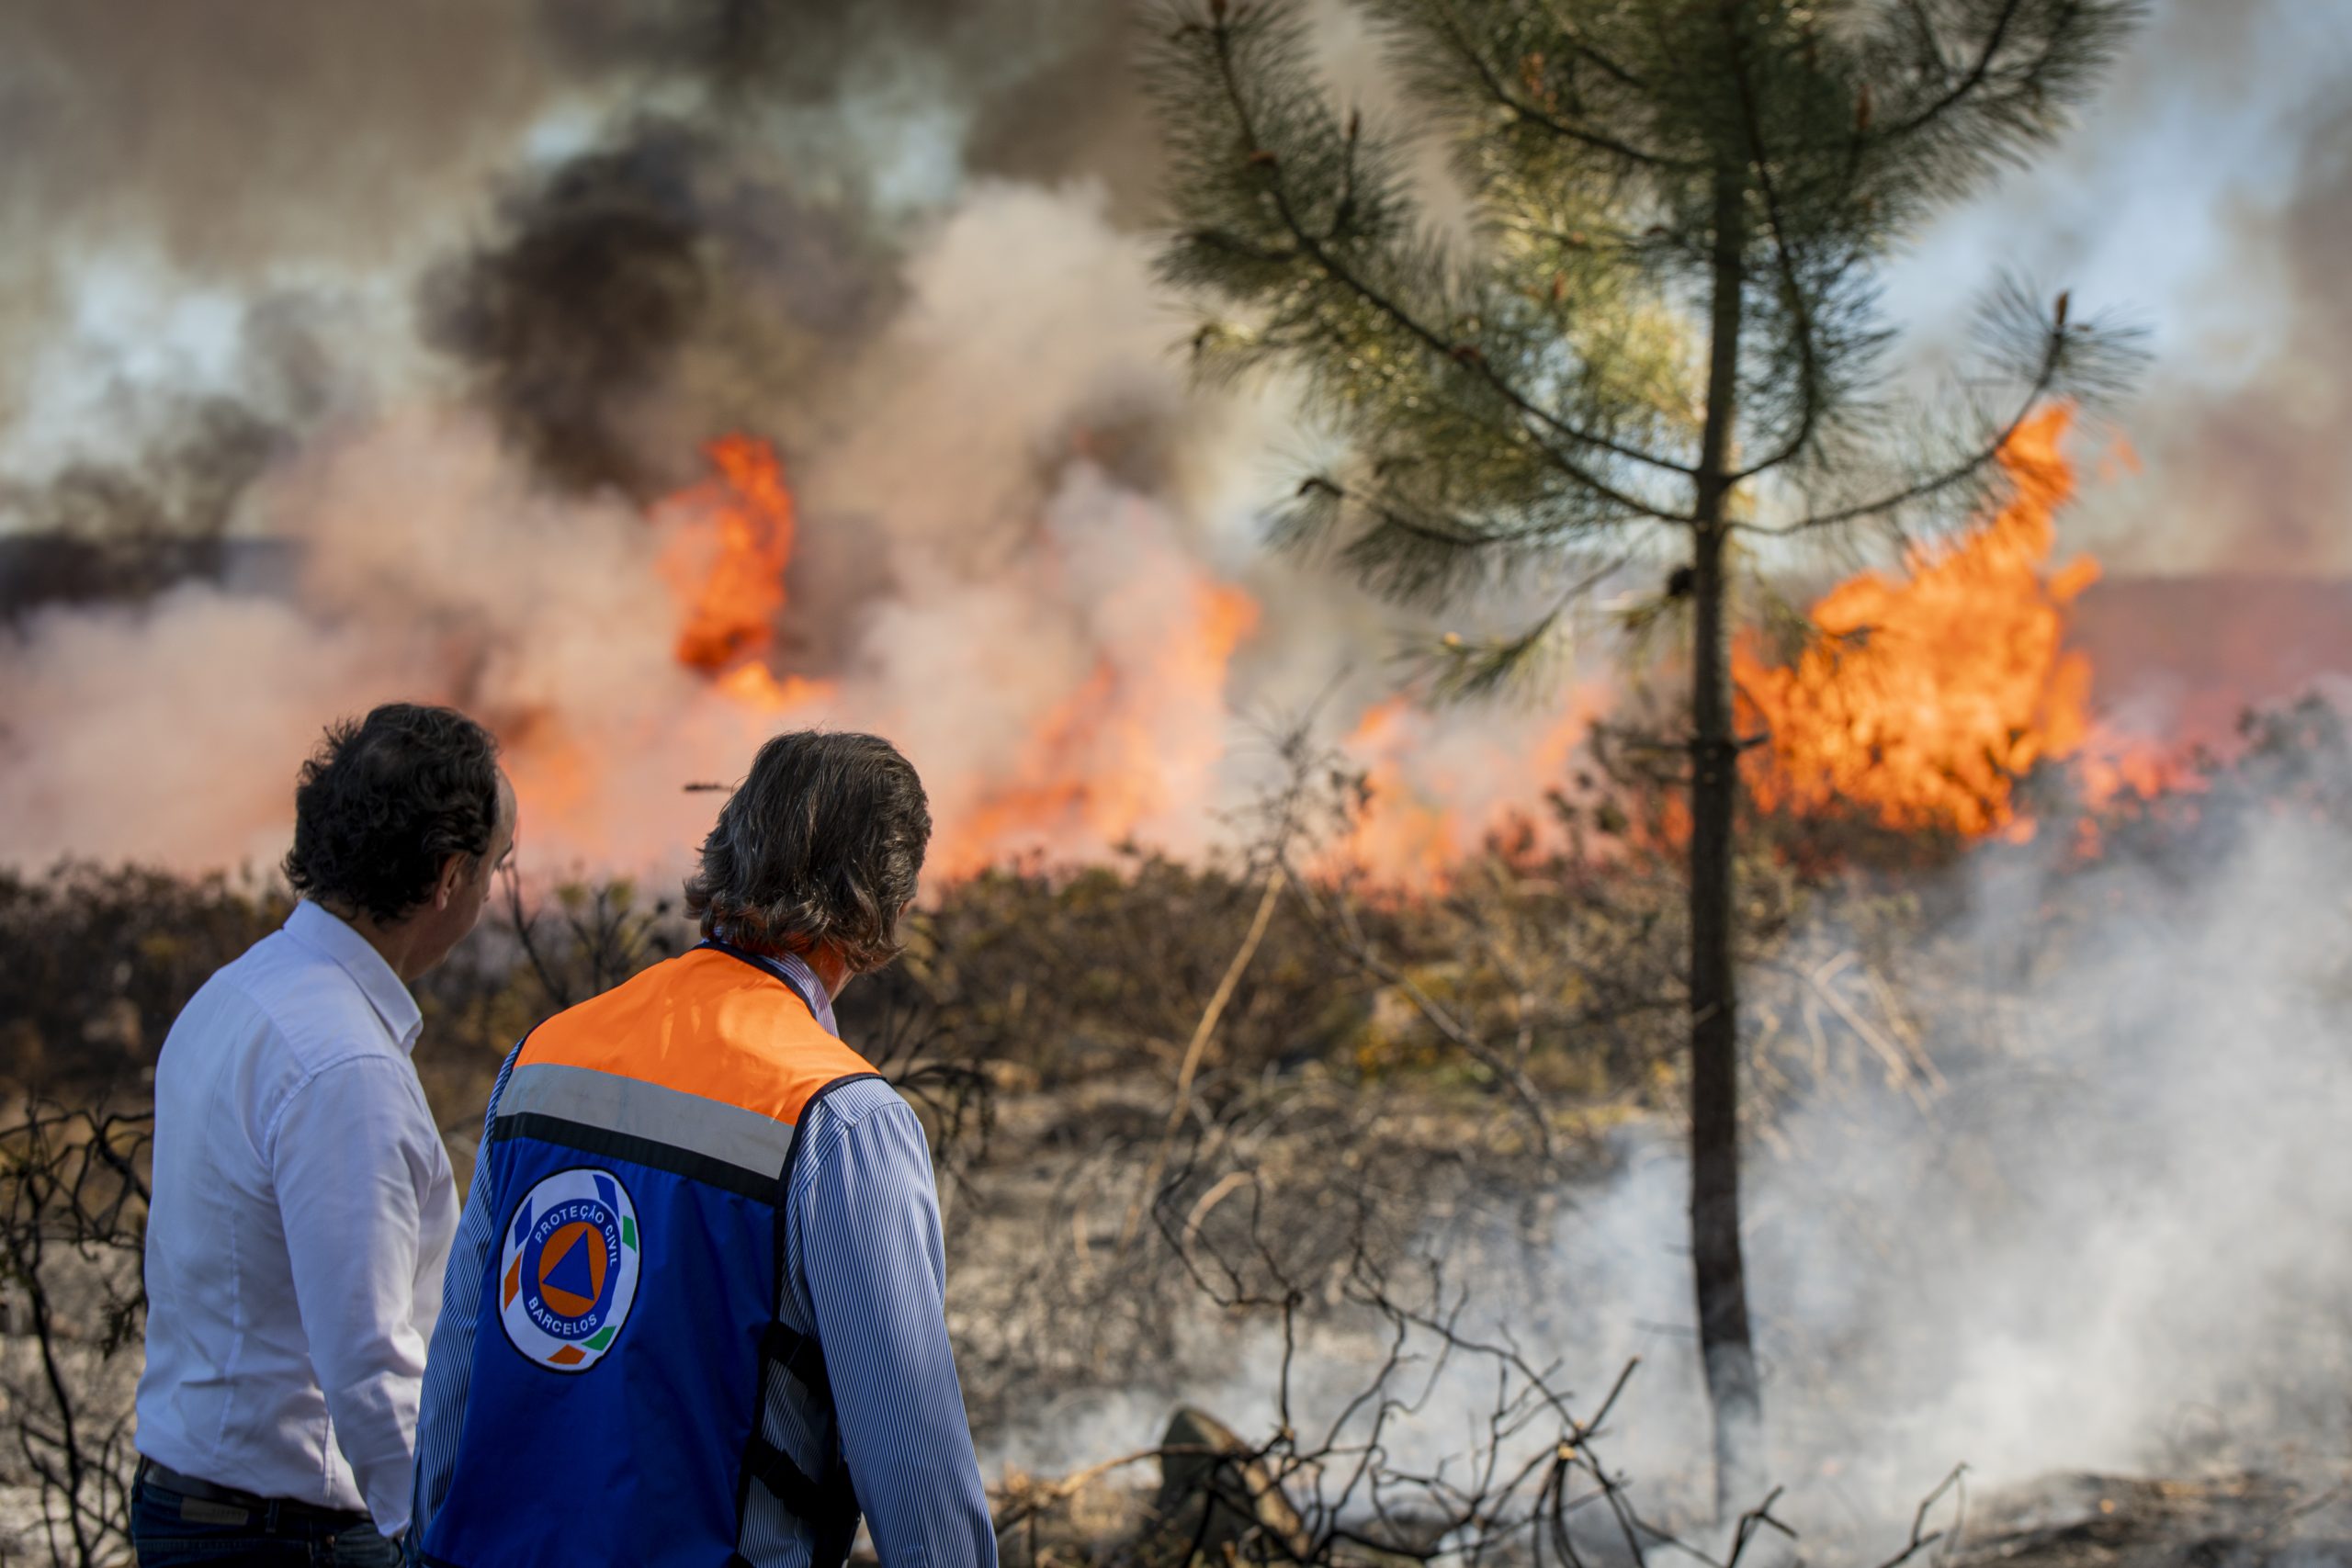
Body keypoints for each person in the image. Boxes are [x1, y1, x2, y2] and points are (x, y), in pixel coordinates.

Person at [409, 730, 994, 1568]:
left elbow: (459, 1365)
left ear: (726, 854)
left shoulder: (542, 1058)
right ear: (884, 903)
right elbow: (917, 1476)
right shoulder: (845, 1120)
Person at [133, 703, 518, 1566]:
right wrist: (446, 1541)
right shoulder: (346, 1069)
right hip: (291, 1534)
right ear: (449, 876)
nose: (494, 892)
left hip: (197, 1505)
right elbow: (371, 1368)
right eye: (498, 866)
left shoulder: (236, 993)